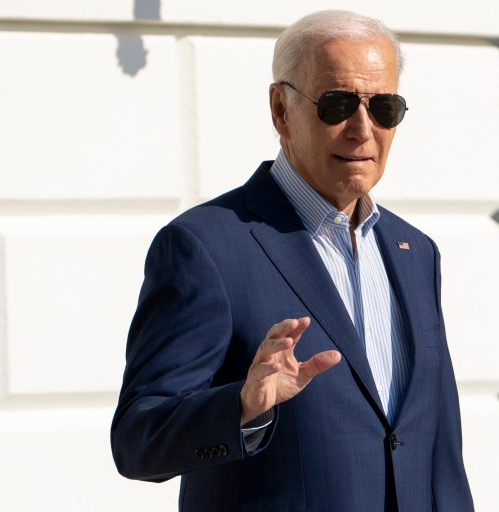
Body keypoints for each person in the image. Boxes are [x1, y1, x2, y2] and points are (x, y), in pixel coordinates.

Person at [111, 9, 474, 512]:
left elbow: (437, 449)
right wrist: (242, 406)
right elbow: (138, 441)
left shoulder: (415, 252)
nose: (362, 129)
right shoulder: (205, 246)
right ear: (281, 109)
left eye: (384, 107)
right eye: (338, 104)